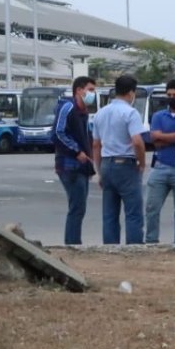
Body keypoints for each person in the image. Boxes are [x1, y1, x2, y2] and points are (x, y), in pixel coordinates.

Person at [92, 74, 147, 245]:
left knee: (109, 213)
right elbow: (137, 141)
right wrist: (142, 162)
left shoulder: (100, 113)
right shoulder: (130, 112)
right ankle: (134, 247)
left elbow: (96, 144)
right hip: (125, 164)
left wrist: (99, 171)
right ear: (131, 93)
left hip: (107, 163)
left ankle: (110, 248)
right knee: (133, 212)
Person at [144, 80, 175, 244]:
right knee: (151, 208)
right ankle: (151, 241)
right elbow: (154, 139)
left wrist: (164, 137)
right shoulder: (158, 116)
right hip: (160, 167)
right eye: (169, 95)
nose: (171, 98)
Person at [52, 76, 97, 245]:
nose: (93, 94)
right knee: (77, 207)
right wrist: (76, 151)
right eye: (90, 90)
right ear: (79, 90)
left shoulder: (83, 112)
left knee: (79, 208)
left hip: (81, 166)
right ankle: (72, 244)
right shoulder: (68, 107)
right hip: (69, 165)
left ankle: (74, 242)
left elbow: (85, 137)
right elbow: (58, 133)